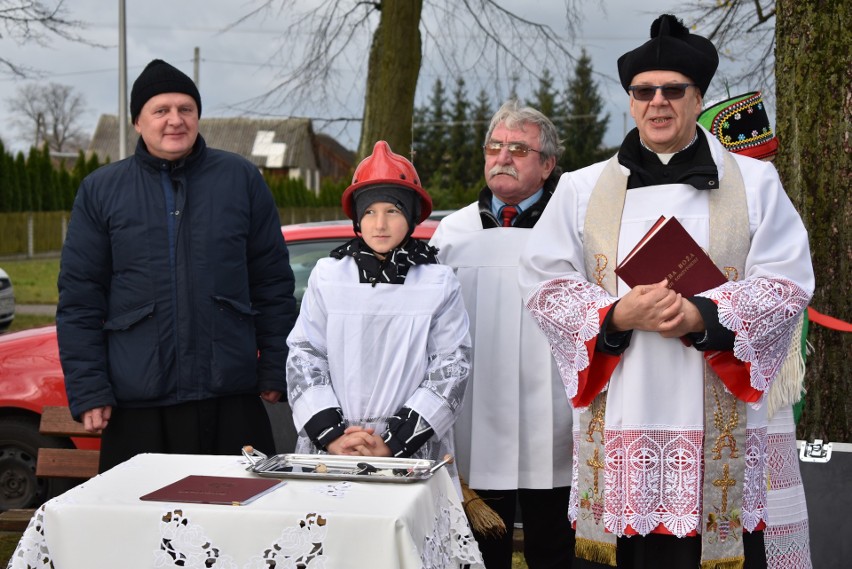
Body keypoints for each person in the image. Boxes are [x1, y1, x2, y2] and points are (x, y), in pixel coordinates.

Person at [518, 14, 814, 569]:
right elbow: (543, 282)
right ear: (631, 101)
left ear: (697, 97)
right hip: (620, 416)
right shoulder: (582, 189)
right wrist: (614, 314)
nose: (658, 102)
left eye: (673, 90)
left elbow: (787, 281)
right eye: (644, 91)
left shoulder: (753, 184)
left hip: (714, 426)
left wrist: (703, 314)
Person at [56, 59, 297, 472]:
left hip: (229, 397)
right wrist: (90, 388)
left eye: (185, 109)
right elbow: (80, 299)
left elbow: (272, 283)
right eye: (161, 110)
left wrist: (276, 366)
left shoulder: (240, 179)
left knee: (240, 523)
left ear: (198, 115)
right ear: (137, 121)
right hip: (139, 402)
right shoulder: (101, 190)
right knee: (140, 527)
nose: (175, 120)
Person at [429, 100, 575, 569]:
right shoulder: (451, 234)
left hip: (553, 417)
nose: (503, 157)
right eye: (494, 146)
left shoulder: (572, 228)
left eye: (519, 148)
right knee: (479, 550)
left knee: (553, 548)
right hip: (475, 415)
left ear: (548, 164)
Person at [285, 140, 471, 489]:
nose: (380, 224)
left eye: (393, 211)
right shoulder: (328, 276)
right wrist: (333, 435)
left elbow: (450, 367)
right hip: (335, 449)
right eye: (369, 212)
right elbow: (306, 355)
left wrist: (394, 443)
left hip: (408, 451)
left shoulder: (437, 282)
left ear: (413, 216)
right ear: (356, 218)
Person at [699, 91, 813, 569]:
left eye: (768, 160)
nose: (765, 173)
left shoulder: (770, 205)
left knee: (765, 515)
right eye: (753, 162)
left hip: (759, 389)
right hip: (703, 379)